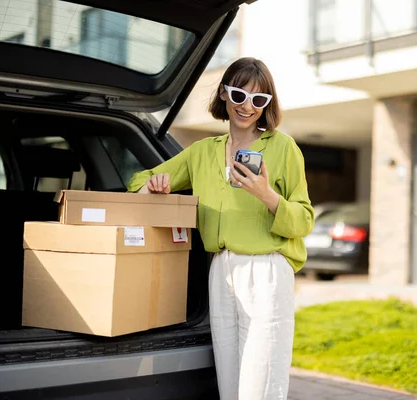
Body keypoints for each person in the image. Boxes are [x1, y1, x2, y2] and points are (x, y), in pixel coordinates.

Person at [126, 57, 314, 400]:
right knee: (230, 385)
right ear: (225, 94)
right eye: (240, 95)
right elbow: (138, 181)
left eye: (260, 100)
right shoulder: (202, 152)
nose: (248, 107)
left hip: (267, 271)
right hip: (220, 269)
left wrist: (267, 195)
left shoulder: (283, 147)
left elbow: (303, 220)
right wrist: (157, 186)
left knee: (261, 387)